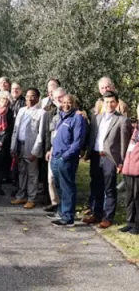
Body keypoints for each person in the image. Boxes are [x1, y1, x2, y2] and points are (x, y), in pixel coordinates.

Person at [83, 91, 131, 229]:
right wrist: (87, 153)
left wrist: (121, 162)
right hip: (95, 157)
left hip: (110, 158)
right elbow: (92, 137)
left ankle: (108, 217)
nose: (109, 104)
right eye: (106, 102)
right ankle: (96, 214)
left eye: (112, 102)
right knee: (95, 186)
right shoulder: (96, 118)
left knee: (109, 188)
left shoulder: (122, 120)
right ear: (103, 103)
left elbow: (124, 142)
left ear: (116, 103)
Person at [48, 94, 87, 227]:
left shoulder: (77, 118)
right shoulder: (61, 117)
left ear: (74, 103)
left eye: (69, 102)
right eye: (64, 102)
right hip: (55, 157)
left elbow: (77, 143)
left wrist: (65, 156)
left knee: (67, 187)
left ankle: (68, 217)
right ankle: (61, 211)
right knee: (59, 186)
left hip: (66, 159)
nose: (66, 104)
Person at [10, 88, 49, 209]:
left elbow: (41, 134)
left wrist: (35, 151)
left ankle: (32, 198)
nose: (29, 99)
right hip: (19, 145)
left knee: (32, 174)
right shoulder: (21, 110)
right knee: (22, 172)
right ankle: (21, 195)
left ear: (38, 98)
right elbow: (15, 130)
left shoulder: (42, 113)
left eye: (32, 96)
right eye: (27, 96)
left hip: (31, 148)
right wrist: (13, 147)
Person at [43, 86, 68, 212]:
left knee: (63, 180)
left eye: (61, 97)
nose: (58, 99)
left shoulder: (72, 112)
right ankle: (55, 203)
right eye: (56, 97)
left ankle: (65, 207)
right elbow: (48, 132)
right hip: (53, 149)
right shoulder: (51, 113)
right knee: (51, 179)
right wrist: (48, 149)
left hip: (65, 151)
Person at [0, 91, 15, 196]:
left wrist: (1, 142)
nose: (4, 101)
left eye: (6, 99)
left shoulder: (10, 112)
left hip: (4, 142)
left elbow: (10, 129)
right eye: (3, 99)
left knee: (1, 166)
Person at [121, 105, 139, 235]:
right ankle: (130, 221)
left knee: (137, 196)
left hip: (137, 167)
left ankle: (137, 224)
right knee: (130, 196)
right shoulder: (136, 127)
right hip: (130, 165)